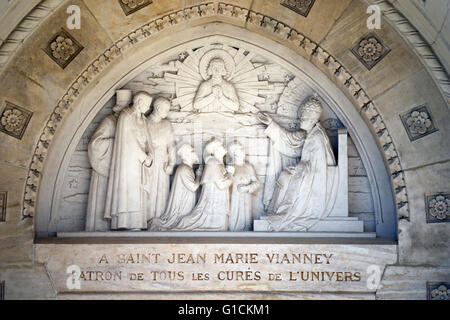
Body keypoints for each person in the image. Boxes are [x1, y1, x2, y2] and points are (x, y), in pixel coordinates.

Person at [262, 96, 339, 231]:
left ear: (312, 119)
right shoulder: (309, 132)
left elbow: (317, 169)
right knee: (285, 175)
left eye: (303, 118)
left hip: (314, 180)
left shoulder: (317, 137)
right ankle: (275, 213)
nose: (300, 120)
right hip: (306, 173)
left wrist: (297, 170)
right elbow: (290, 139)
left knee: (286, 177)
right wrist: (271, 124)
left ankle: (282, 213)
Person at [104, 91, 154, 231]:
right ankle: (125, 223)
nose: (148, 108)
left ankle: (137, 223)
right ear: (139, 103)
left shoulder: (143, 119)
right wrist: (143, 157)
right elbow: (128, 141)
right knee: (128, 191)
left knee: (138, 192)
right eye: (147, 105)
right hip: (128, 163)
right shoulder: (126, 116)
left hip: (141, 163)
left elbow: (148, 140)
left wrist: (150, 155)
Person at [85, 90, 132, 231]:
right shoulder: (109, 121)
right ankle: (99, 228)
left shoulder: (129, 123)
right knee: (102, 200)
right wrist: (117, 144)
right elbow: (95, 143)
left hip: (121, 170)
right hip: (105, 169)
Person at [171, 138, 232, 231]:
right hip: (214, 210)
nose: (224, 146)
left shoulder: (219, 163)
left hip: (219, 207)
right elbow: (221, 185)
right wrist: (231, 174)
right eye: (221, 145)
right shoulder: (213, 162)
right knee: (220, 227)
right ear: (215, 150)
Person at [257, 110, 307, 213]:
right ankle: (275, 209)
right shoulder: (301, 135)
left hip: (302, 175)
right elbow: (288, 138)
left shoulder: (314, 136)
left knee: (287, 179)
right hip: (292, 173)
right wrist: (271, 123)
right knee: (284, 179)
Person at [149, 144, 201, 231]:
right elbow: (194, 187)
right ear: (187, 155)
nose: (195, 153)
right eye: (192, 151)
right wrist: (199, 175)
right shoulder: (184, 169)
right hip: (182, 208)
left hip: (185, 205)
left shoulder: (186, 168)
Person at [145, 97, 176, 224]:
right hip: (149, 163)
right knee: (149, 191)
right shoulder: (144, 122)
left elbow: (171, 145)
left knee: (162, 191)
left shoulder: (167, 124)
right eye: (166, 110)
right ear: (157, 108)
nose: (167, 113)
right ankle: (145, 219)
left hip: (163, 161)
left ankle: (158, 219)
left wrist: (172, 164)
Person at [228, 142, 260, 231]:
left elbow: (257, 182)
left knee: (246, 223)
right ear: (234, 153)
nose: (243, 151)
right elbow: (225, 184)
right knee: (234, 223)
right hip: (234, 201)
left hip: (247, 199)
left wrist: (248, 188)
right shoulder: (230, 167)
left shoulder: (249, 167)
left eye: (243, 149)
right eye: (240, 149)